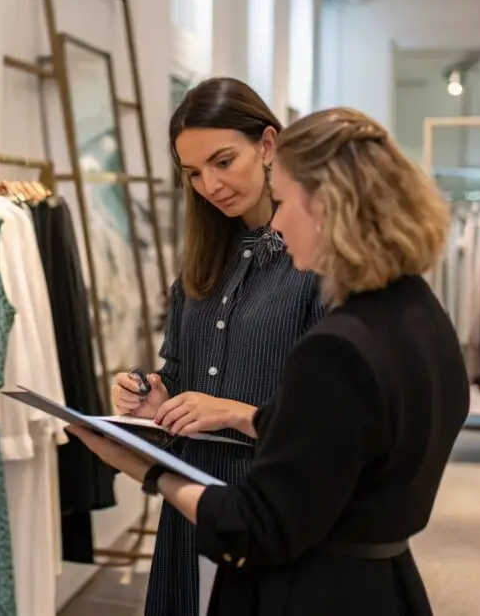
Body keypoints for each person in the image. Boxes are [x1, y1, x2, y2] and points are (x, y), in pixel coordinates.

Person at [74, 107, 470, 616]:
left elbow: (260, 526)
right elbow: (337, 430)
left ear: (328, 204)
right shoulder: (420, 312)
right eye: (193, 173)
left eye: (282, 202)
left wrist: (141, 467)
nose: (276, 223)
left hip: (312, 586)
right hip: (380, 581)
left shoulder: (340, 346)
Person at [111, 77, 325, 615]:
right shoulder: (202, 265)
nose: (210, 184)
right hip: (191, 502)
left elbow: (332, 419)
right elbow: (180, 375)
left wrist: (232, 412)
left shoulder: (315, 262)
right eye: (193, 173)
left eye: (223, 162)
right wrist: (154, 398)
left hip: (270, 508)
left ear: (268, 145)